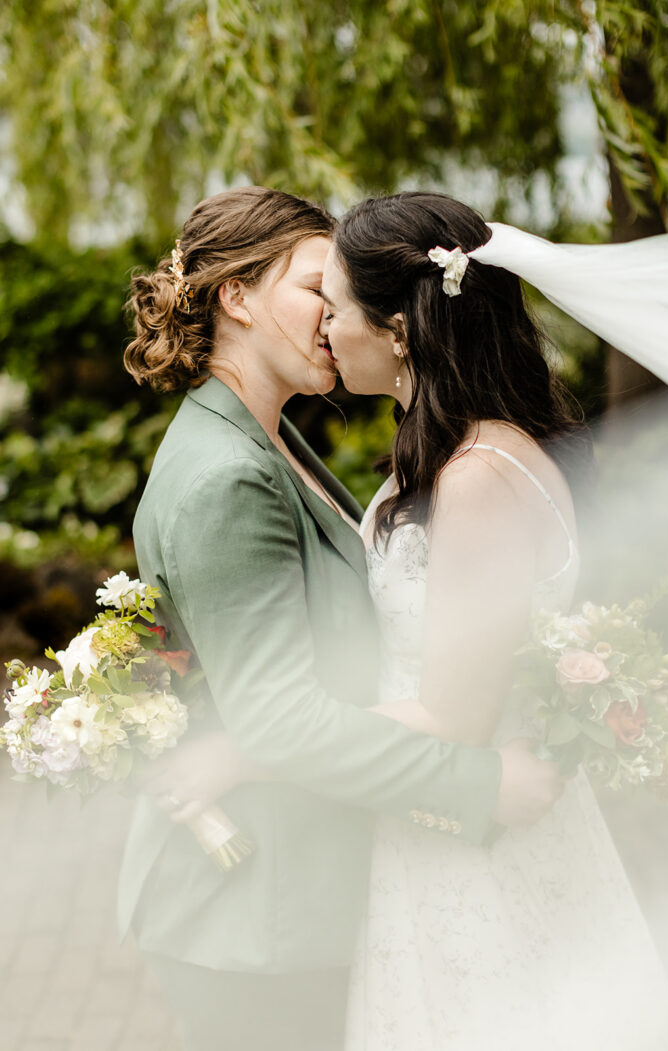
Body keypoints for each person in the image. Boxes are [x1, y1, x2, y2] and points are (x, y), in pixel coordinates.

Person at [118, 185, 562, 1051]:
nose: (335, 314)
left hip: (306, 889)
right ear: (235, 297)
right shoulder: (224, 475)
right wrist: (479, 784)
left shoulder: (270, 439)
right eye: (315, 287)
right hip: (253, 907)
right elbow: (278, 716)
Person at [317, 191, 668, 1051]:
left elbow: (456, 718)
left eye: (335, 306)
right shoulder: (473, 452)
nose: (325, 328)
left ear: (399, 329)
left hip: (471, 851)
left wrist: (274, 731)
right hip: (453, 824)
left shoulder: (479, 477)